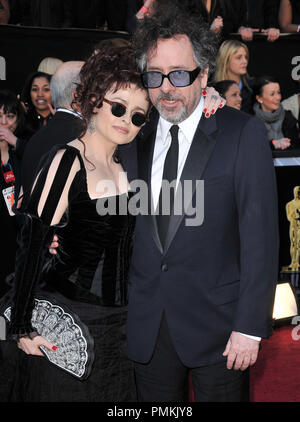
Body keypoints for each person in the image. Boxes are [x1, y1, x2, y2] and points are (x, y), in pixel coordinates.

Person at [117, 7, 278, 402]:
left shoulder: (241, 133)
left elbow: (260, 238)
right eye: (154, 76)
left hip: (220, 328)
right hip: (147, 326)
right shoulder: (133, 137)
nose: (166, 88)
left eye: (179, 74)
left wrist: (250, 326)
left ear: (203, 75)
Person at [0, 45, 150, 402]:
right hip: (72, 315)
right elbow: (32, 242)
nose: (126, 120)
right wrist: (21, 326)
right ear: (94, 101)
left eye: (138, 116)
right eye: (118, 107)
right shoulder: (66, 160)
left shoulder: (126, 165)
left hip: (122, 326)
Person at [20, 61, 84, 195]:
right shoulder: (83, 138)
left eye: (46, 89)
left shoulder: (36, 140)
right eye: (95, 89)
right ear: (77, 94)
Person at [0, 90, 31, 298]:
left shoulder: (24, 151)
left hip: (18, 239)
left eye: (9, 116)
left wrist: (14, 142)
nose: (3, 122)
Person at [253, 75, 300, 150]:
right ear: (259, 98)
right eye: (272, 94)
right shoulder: (250, 120)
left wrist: (286, 145)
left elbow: (296, 146)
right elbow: (250, 147)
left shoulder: (288, 117)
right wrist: (273, 144)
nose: (278, 97)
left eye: (278, 93)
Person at [215, 39, 254, 113]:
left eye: (245, 57)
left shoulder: (253, 88)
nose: (245, 61)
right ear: (226, 60)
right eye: (239, 58)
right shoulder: (213, 89)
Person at [286, 186, 300, 271]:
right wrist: (293, 216)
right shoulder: (289, 204)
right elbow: (288, 217)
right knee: (293, 243)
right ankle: (293, 261)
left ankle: (297, 262)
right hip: (292, 224)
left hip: (299, 225)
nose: (297, 193)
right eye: (296, 191)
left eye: (298, 192)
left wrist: (297, 215)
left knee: (298, 244)